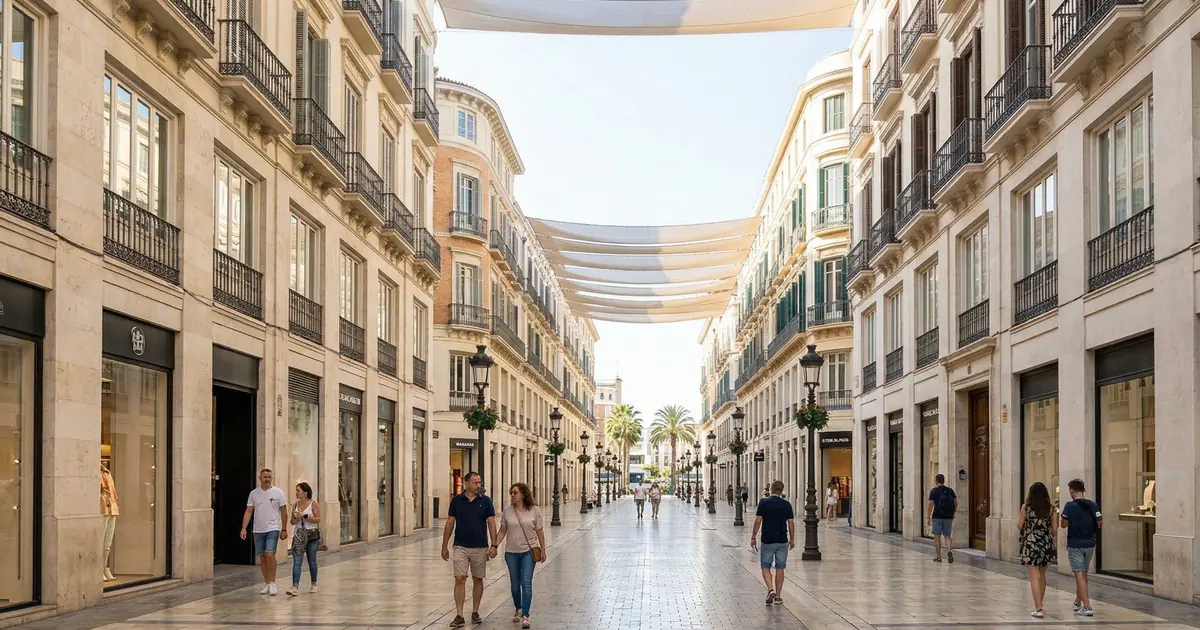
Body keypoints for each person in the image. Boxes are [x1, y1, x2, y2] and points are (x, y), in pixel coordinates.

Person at [441, 472, 499, 628]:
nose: (479, 486)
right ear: (466, 483)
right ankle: (459, 615)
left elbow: (492, 523)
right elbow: (450, 523)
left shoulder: (486, 501)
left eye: (480, 482)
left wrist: (494, 545)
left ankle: (475, 611)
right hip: (460, 546)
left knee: (478, 579)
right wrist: (444, 545)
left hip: (480, 546)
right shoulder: (456, 501)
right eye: (475, 483)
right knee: (460, 578)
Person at [494, 483, 545, 629]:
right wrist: (494, 545)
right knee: (515, 585)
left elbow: (540, 531)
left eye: (515, 492)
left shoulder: (534, 510)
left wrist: (543, 549)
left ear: (523, 494)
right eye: (511, 493)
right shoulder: (507, 511)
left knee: (526, 583)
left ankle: (526, 616)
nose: (512, 495)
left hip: (529, 552)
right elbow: (503, 530)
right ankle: (518, 607)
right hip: (511, 553)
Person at [241, 468, 289, 595]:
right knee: (262, 557)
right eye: (265, 477)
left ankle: (273, 582)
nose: (267, 479)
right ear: (260, 478)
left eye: (269, 477)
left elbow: (284, 512)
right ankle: (267, 583)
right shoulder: (254, 494)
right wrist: (244, 528)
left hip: (273, 528)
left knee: (269, 554)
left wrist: (284, 529)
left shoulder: (278, 493)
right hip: (258, 529)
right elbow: (249, 511)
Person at [1060, 478, 1102, 617]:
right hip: (1089, 544)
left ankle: (1087, 606)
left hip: (1075, 544)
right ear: (1083, 490)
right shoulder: (1093, 505)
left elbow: (1063, 525)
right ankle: (1078, 601)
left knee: (1079, 575)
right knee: (1083, 574)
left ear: (1071, 490)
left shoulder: (1069, 506)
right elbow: (1100, 522)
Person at [750, 480, 794, 605]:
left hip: (767, 540)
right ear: (782, 491)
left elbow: (758, 520)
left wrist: (753, 536)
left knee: (765, 566)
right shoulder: (787, 505)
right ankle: (778, 597)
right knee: (780, 568)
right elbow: (791, 523)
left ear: (771, 490)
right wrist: (792, 539)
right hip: (782, 540)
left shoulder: (764, 502)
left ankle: (770, 589)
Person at [1018, 482, 1058, 618]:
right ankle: (1040, 603)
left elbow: (1019, 525)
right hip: (1045, 544)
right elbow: (1054, 531)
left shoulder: (1026, 508)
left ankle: (1038, 608)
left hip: (1031, 543)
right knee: (1042, 574)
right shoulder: (1051, 509)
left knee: (1034, 575)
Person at [285, 482, 321, 596]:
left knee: (312, 560)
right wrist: (295, 518)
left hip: (312, 534)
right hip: (298, 535)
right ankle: (295, 586)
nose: (296, 493)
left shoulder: (314, 504)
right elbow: (292, 522)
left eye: (298, 490)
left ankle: (314, 583)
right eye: (296, 490)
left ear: (305, 492)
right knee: (297, 561)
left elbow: (318, 519)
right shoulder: (295, 504)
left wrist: (305, 515)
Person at [926, 473, 957, 563]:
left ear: (936, 481)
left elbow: (930, 504)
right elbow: (956, 503)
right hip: (948, 516)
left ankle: (938, 556)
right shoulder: (950, 491)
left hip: (937, 516)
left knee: (937, 537)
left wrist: (928, 516)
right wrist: (953, 513)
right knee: (947, 536)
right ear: (944, 480)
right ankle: (949, 550)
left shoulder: (934, 491)